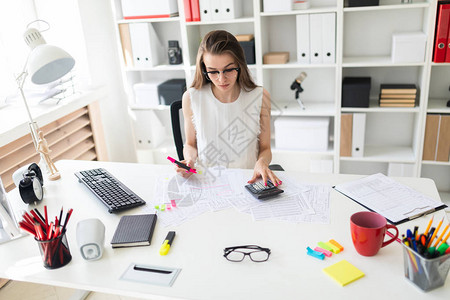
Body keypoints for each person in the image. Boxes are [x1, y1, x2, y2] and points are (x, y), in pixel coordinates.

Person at [174, 30, 281, 187]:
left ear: (239, 64)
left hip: (248, 180)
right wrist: (189, 160)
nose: (221, 78)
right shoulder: (192, 97)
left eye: (229, 69)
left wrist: (262, 162)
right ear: (204, 68)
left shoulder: (260, 96)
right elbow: (190, 144)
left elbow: (265, 148)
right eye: (213, 71)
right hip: (208, 182)